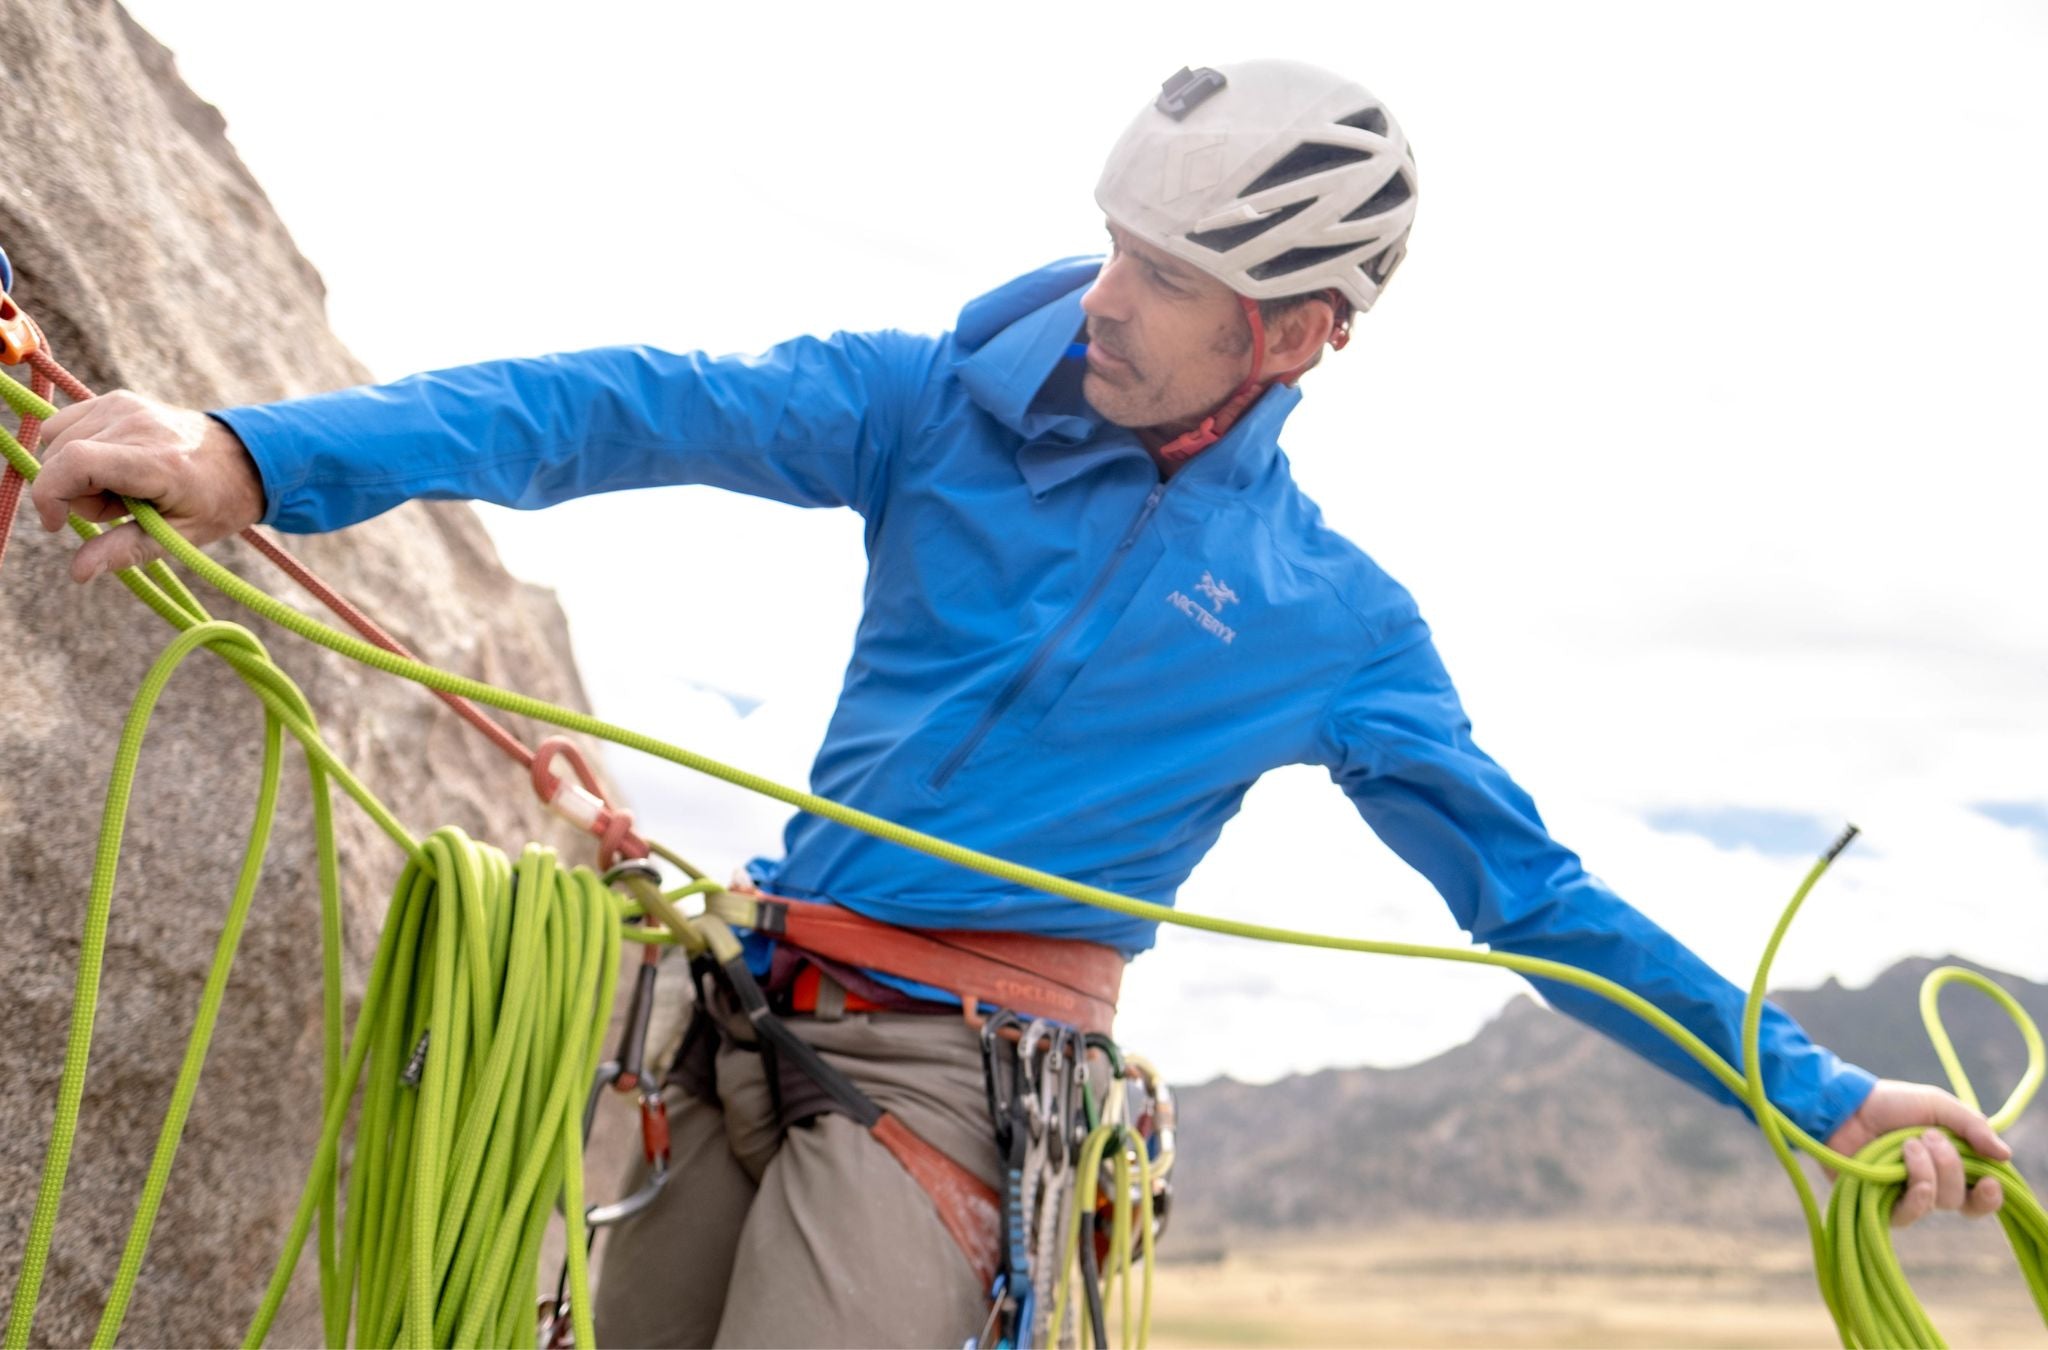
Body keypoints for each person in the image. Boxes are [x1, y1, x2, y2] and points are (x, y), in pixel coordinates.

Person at [27, 58, 2010, 1348]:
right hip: (749, 1014)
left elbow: (1536, 906)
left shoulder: (1332, 624)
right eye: (1119, 248)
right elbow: (613, 403)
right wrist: (253, 452)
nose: (1106, 301)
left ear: (1301, 334)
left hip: (956, 1101)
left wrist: (1816, 1097)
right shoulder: (927, 405)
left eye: (1172, 280)